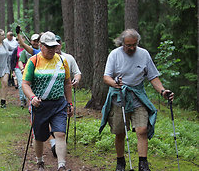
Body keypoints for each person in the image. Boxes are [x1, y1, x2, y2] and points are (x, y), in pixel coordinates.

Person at [99, 29, 174, 171]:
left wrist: (163, 91)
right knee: (120, 132)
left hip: (138, 96)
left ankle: (143, 164)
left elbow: (153, 77)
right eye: (128, 45)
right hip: (119, 96)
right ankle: (120, 162)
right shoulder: (114, 55)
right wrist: (115, 83)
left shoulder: (144, 54)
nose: (132, 48)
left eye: (134, 44)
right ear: (122, 43)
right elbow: (106, 77)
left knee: (142, 129)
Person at [22, 31, 74, 171]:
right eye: (48, 46)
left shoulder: (62, 61)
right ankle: (40, 162)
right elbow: (25, 84)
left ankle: (61, 166)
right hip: (40, 105)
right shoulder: (33, 61)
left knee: (60, 134)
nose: (52, 49)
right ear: (41, 45)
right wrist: (32, 98)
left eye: (54, 46)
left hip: (59, 104)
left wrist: (69, 103)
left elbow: (67, 83)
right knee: (39, 137)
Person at [49, 35, 82, 158]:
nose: (56, 45)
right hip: (50, 96)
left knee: (60, 120)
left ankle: (58, 142)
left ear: (61, 44)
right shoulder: (45, 59)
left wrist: (76, 80)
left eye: (58, 43)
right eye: (53, 43)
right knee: (49, 120)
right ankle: (54, 142)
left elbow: (77, 73)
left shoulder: (68, 58)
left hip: (64, 95)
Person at [10, 35, 26, 108]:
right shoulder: (16, 50)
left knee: (27, 84)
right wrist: (13, 70)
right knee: (20, 84)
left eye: (21, 39)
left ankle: (27, 98)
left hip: (27, 68)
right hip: (18, 68)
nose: (19, 41)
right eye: (18, 40)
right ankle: (22, 100)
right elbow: (13, 60)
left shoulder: (28, 49)